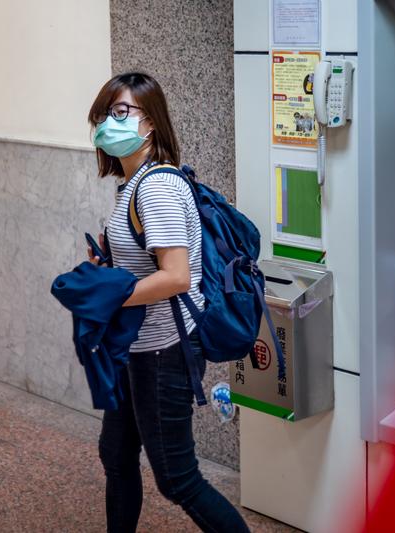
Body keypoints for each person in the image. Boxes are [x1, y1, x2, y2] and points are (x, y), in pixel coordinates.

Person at [86, 72, 250, 533]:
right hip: (133, 347)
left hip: (164, 350)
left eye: (121, 112)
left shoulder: (156, 186)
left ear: (150, 122)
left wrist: (110, 297)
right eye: (104, 114)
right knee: (116, 456)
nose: (108, 123)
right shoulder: (134, 183)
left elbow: (176, 277)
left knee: (179, 480)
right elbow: (146, 266)